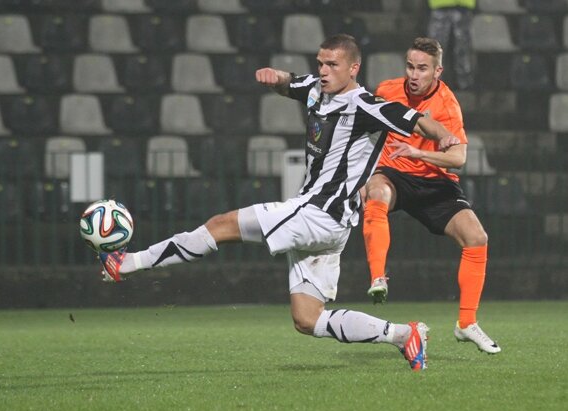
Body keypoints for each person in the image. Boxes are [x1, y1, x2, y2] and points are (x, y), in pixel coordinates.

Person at [99, 34, 461, 371]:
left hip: (319, 213)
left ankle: (127, 263)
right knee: (307, 319)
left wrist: (444, 135)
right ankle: (403, 335)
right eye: (320, 63)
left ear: (354, 68)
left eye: (332, 65)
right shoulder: (316, 88)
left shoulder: (365, 105)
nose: (323, 70)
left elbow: (418, 121)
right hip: (330, 224)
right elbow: (292, 83)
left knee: (221, 225)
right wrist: (276, 78)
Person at [362, 37, 500, 354]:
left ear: (437, 71)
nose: (414, 75)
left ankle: (466, 323)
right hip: (394, 173)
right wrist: (361, 173)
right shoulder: (387, 89)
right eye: (410, 66)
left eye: (422, 69)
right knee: (376, 192)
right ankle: (378, 278)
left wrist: (419, 153)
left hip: (433, 180)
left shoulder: (448, 105)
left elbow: (458, 158)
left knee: (477, 237)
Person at [427, 0, 475, 90]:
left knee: (463, 49)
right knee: (437, 49)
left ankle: (466, 86)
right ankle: (436, 85)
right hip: (441, 6)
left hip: (461, 7)